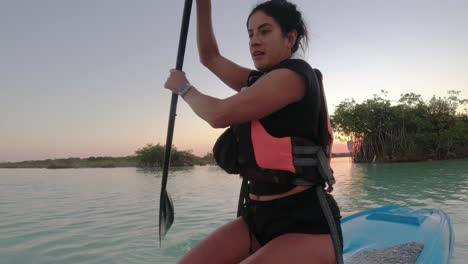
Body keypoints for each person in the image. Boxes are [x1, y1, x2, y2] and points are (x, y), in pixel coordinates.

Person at [164, 0, 342, 263]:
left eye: (265, 31)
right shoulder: (259, 81)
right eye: (250, 34)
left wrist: (184, 89)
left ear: (290, 38)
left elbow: (219, 115)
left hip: (306, 223)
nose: (254, 41)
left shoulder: (294, 76)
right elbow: (209, 57)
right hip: (257, 217)